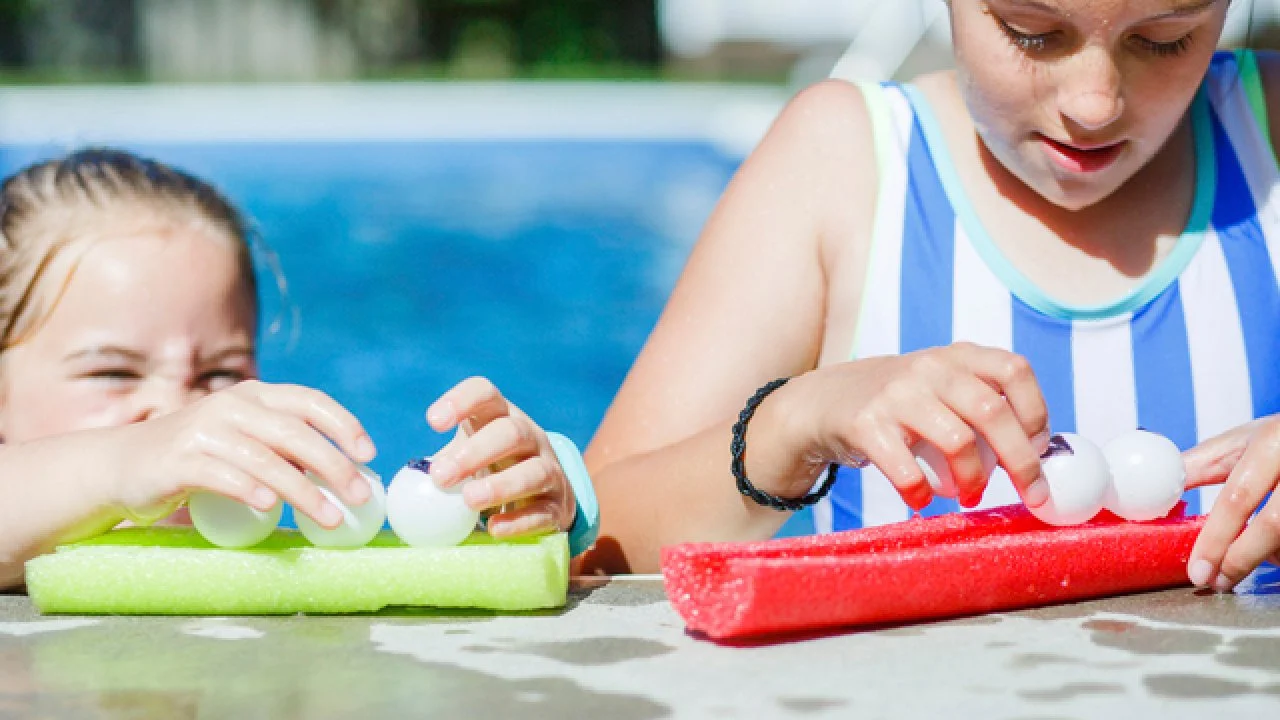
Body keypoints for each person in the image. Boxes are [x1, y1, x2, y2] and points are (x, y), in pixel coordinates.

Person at [585, 0, 1280, 595]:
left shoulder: (1268, 136)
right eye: (1032, 31)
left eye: (1165, 38)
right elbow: (592, 543)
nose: (1094, 104)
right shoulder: (844, 164)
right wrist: (795, 422)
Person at [0, 148, 582, 589]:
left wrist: (515, 499)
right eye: (113, 373)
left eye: (220, 375)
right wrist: (120, 462)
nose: (181, 413)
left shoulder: (289, 533)